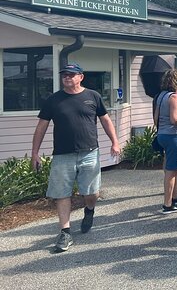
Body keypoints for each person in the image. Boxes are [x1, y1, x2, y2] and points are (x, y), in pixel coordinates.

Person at [31, 63, 121, 253]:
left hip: (89, 152)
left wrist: (115, 142)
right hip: (62, 155)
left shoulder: (92, 96)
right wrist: (35, 152)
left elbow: (105, 120)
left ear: (81, 77)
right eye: (64, 75)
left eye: (71, 75)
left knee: (91, 193)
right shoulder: (53, 100)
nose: (67, 77)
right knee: (62, 193)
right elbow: (41, 127)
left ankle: (89, 210)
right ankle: (65, 232)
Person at [154, 69, 177, 214]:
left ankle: (176, 196)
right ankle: (167, 204)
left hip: (162, 134)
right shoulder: (174, 97)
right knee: (172, 170)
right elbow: (174, 119)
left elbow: (156, 118)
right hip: (173, 135)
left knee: (172, 167)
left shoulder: (161, 96)